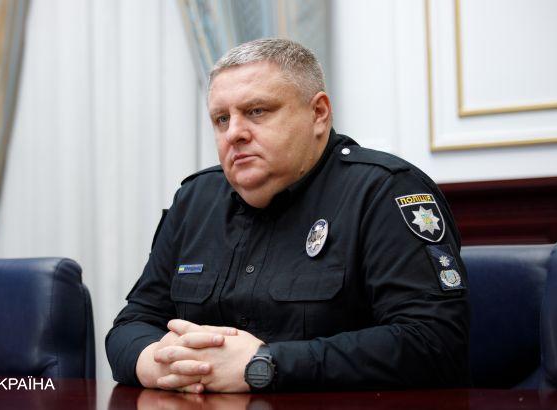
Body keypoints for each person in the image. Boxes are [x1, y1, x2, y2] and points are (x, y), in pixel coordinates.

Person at [106, 38, 469, 393]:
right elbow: (132, 324)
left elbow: (434, 343)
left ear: (318, 113)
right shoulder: (194, 200)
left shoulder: (384, 192)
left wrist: (266, 365)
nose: (234, 133)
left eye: (257, 111)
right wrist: (161, 363)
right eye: (221, 119)